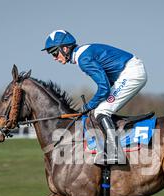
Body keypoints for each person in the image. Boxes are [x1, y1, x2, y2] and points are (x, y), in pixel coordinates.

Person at [42, 29, 147, 165]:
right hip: (128, 72)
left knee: (101, 111)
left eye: (55, 53)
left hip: (131, 73)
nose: (54, 58)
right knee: (101, 109)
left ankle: (116, 153)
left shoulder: (83, 59)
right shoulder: (82, 53)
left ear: (65, 48)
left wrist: (88, 105)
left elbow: (104, 89)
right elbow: (106, 86)